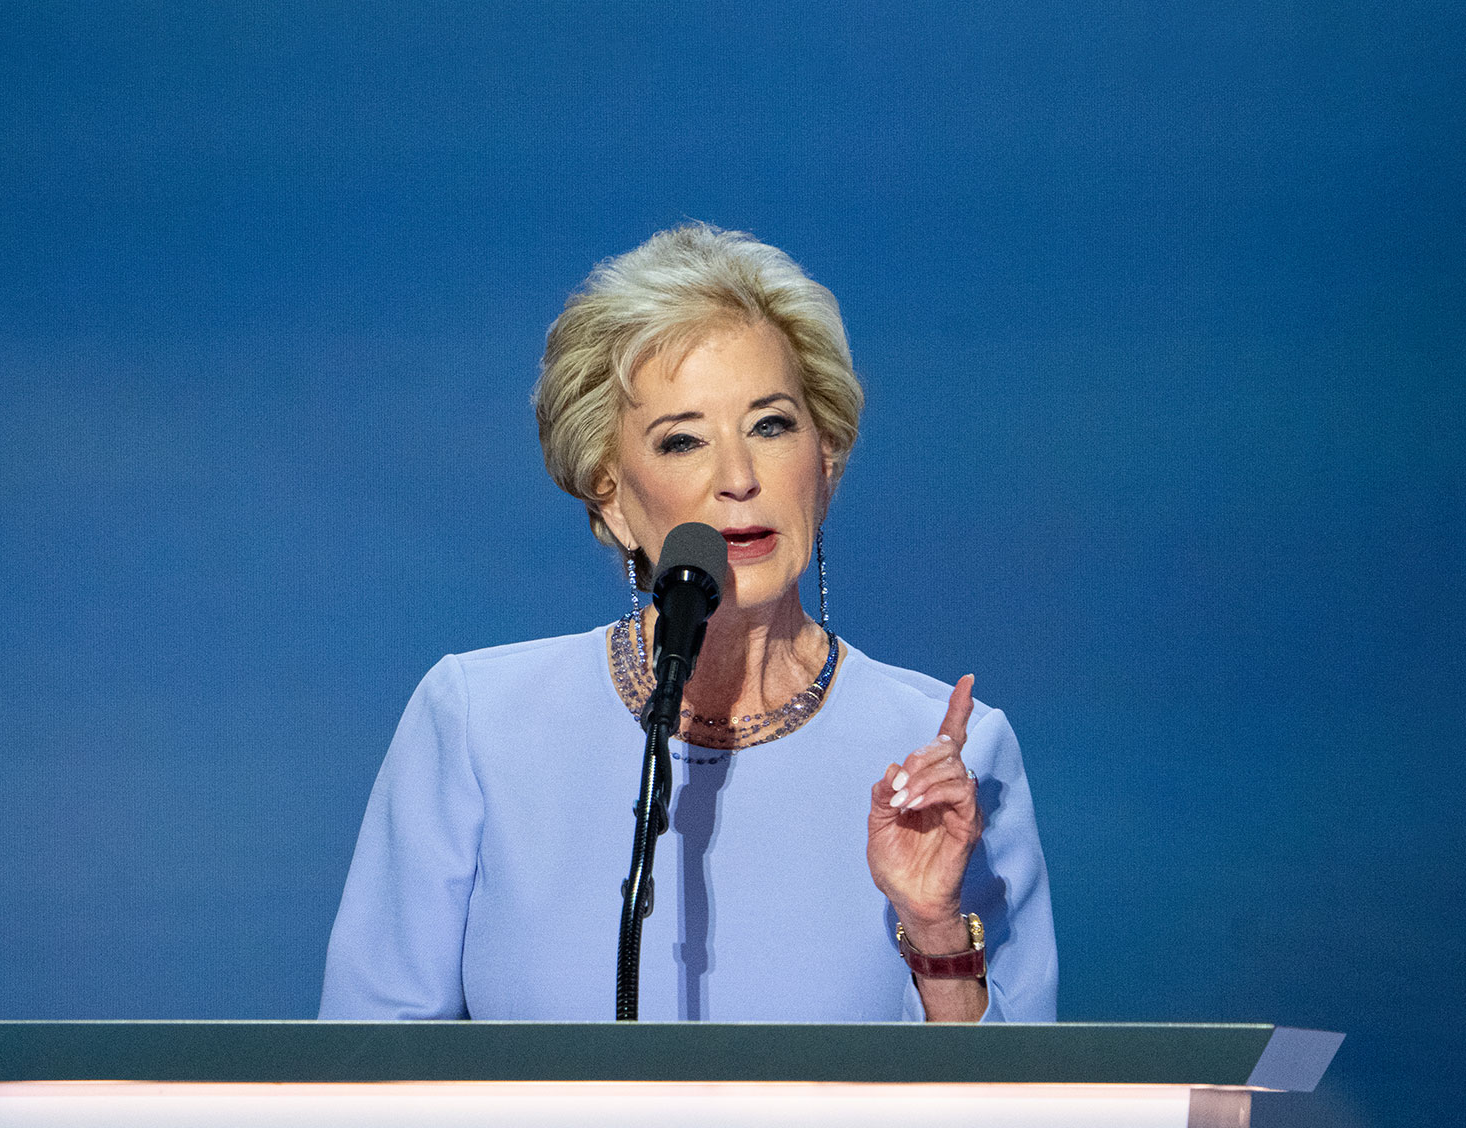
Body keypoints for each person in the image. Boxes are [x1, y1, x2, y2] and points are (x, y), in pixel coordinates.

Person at [319, 223, 1056, 1022]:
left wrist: (934, 926)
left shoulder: (949, 758)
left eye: (771, 426)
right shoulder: (477, 727)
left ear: (827, 458)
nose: (737, 478)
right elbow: (368, 1077)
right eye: (682, 441)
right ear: (610, 493)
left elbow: (1015, 1109)